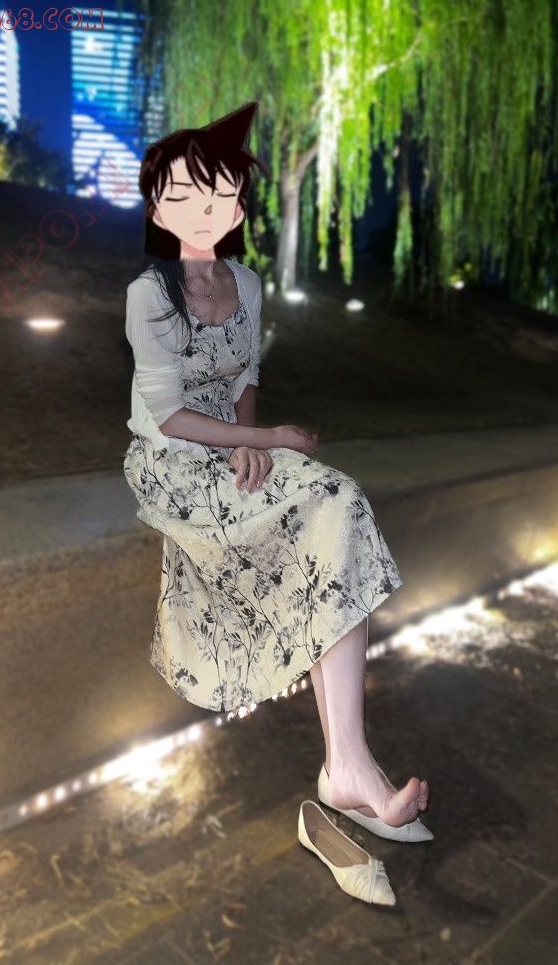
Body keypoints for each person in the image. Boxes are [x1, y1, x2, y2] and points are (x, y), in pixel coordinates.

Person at [123, 101, 428, 829]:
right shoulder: (148, 295)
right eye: (182, 194)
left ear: (236, 205)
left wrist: (250, 441)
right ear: (158, 209)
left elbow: (245, 378)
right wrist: (262, 441)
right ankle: (348, 768)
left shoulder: (248, 284)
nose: (203, 207)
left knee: (338, 504)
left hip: (231, 442)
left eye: (218, 191)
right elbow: (167, 416)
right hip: (170, 459)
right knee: (316, 512)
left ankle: (347, 762)